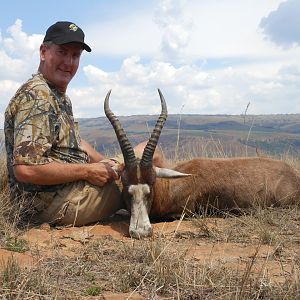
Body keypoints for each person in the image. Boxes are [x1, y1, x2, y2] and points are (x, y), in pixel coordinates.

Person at [4, 21, 165, 226]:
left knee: (151, 153)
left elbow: (75, 142)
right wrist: (88, 171)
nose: (69, 62)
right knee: (139, 182)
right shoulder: (38, 96)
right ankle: (172, 210)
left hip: (67, 191)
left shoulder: (57, 95)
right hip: (52, 205)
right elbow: (25, 170)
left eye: (75, 55)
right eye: (62, 52)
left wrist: (106, 163)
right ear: (43, 52)